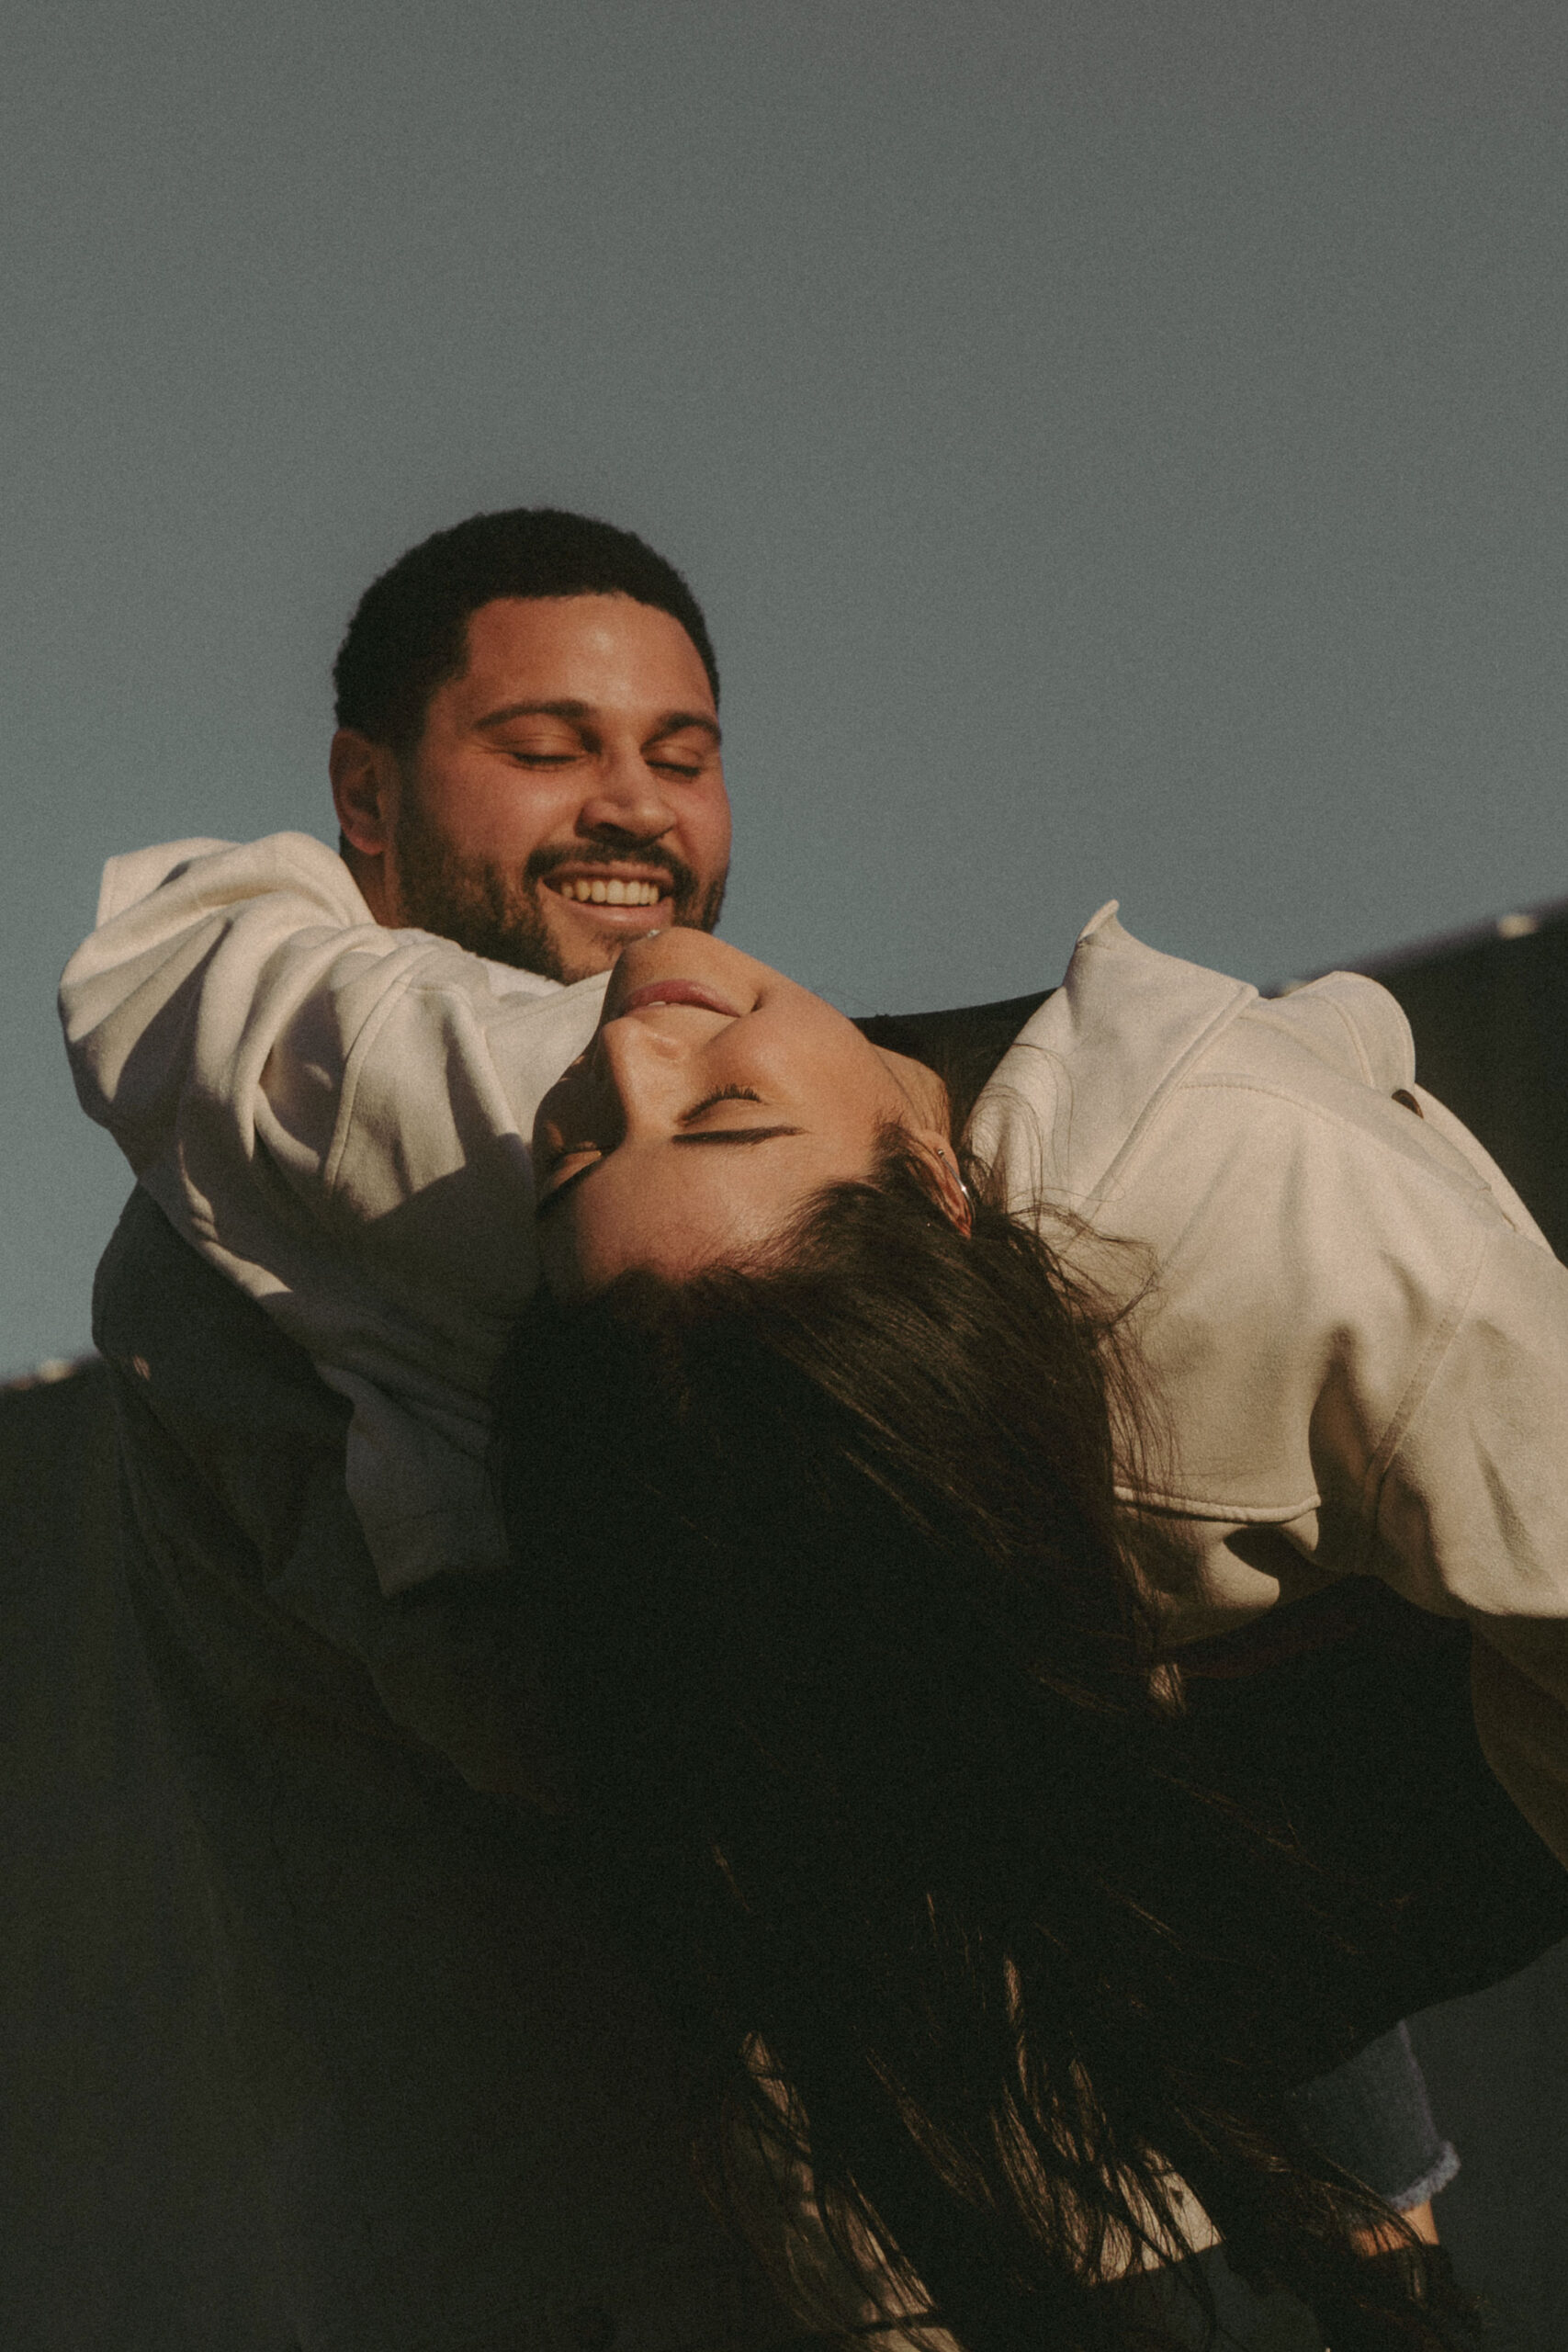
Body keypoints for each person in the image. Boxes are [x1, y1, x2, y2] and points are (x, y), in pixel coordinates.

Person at [60, 510, 1467, 2345]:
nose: (633, 810)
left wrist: (1375, 2186)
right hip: (622, 2262)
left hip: (1065, 2210)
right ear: (367, 791)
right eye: (543, 747)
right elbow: (576, 1718)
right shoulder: (236, 1248)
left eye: (681, 754)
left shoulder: (759, 1157)